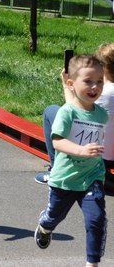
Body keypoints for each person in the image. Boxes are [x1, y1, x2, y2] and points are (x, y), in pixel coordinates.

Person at [34, 55, 107, 267]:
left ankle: (92, 263)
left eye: (100, 81)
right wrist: (81, 150)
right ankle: (45, 226)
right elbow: (57, 142)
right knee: (54, 217)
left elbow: (79, 109)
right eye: (88, 81)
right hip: (65, 179)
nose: (95, 86)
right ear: (72, 83)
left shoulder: (101, 114)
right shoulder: (66, 112)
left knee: (96, 219)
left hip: (92, 176)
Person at [35, 44, 114, 193]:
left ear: (103, 67)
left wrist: (66, 84)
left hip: (96, 155)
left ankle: (55, 168)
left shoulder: (104, 92)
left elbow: (74, 113)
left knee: (51, 111)